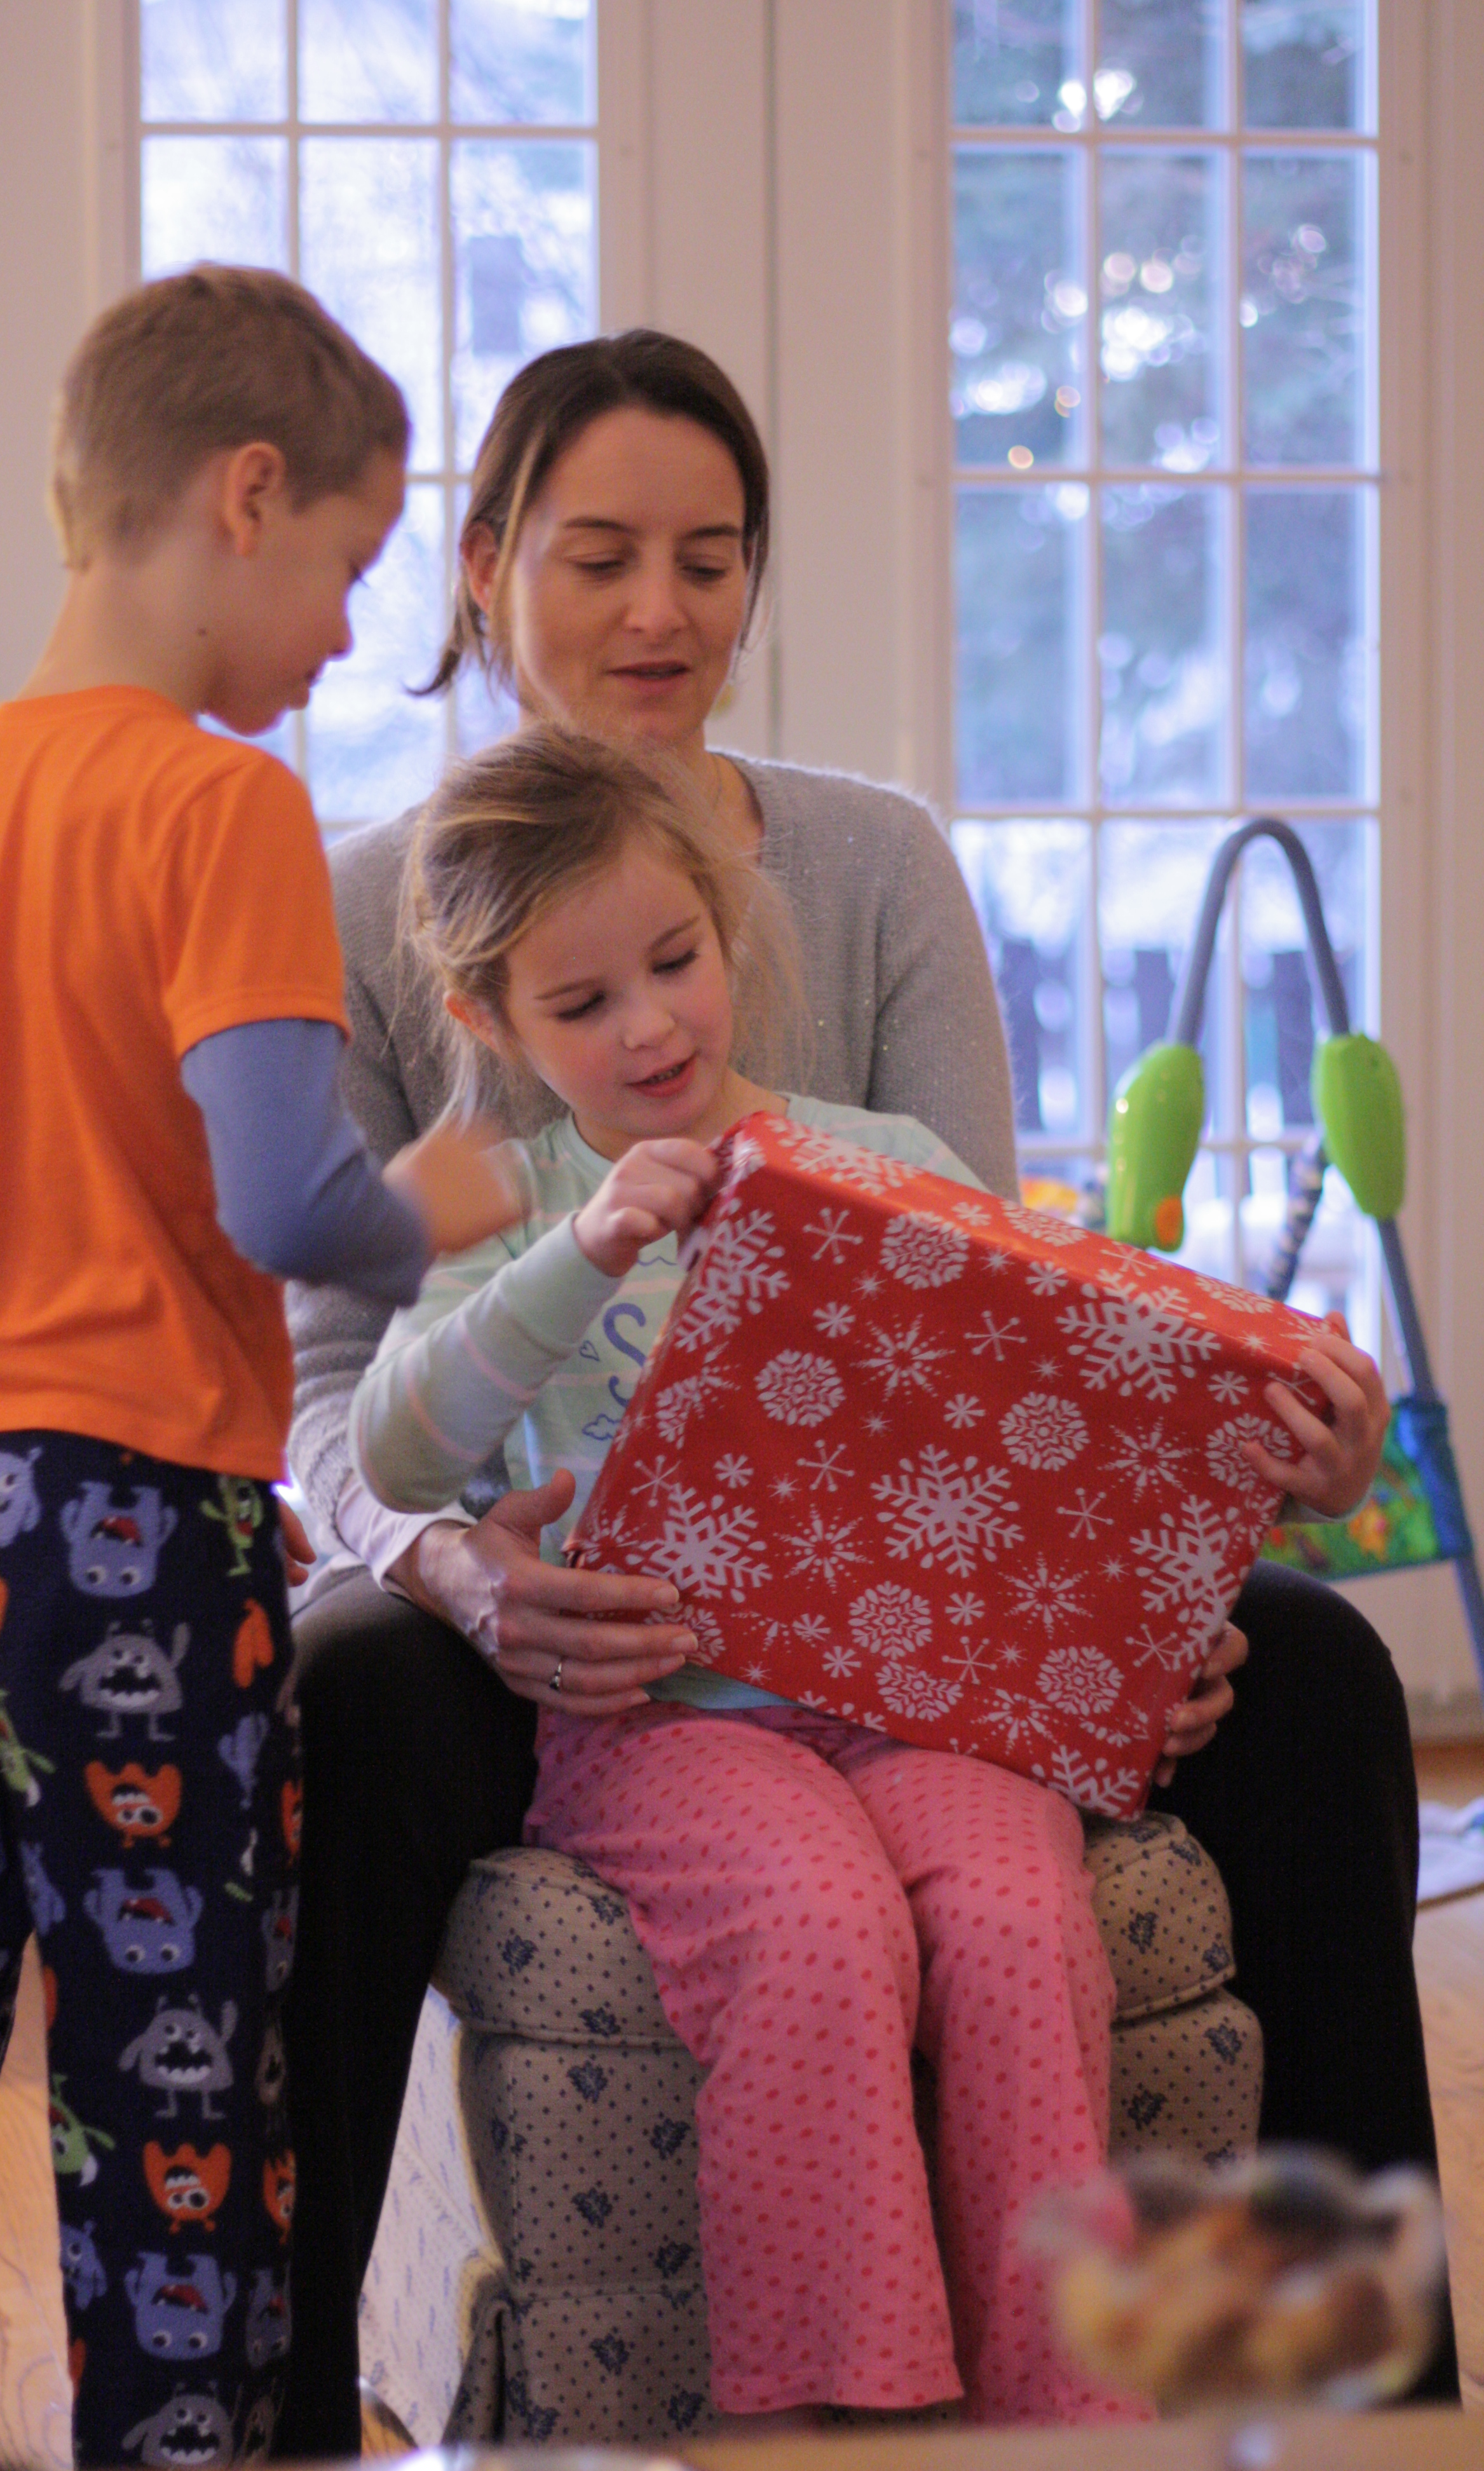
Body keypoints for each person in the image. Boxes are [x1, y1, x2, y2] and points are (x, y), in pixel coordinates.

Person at [278, 329, 1450, 2451]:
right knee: (351, 1688)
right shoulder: (372, 909)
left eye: (711, 556)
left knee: (1316, 1671)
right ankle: (283, 2404)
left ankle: (1355, 2389)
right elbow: (346, 1395)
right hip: (567, 1605)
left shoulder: (872, 860)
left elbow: (1019, 1325)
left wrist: (1186, 1559)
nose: (662, 610)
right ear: (485, 567)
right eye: (601, 556)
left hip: (912, 1640)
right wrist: (455, 1570)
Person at [0, 265, 515, 2465]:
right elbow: (284, 1200)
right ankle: (182, 2441)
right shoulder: (216, 810)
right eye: (347, 562)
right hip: (122, 1499)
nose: (344, 632)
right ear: (245, 496)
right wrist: (442, 1201)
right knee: (171, 2026)